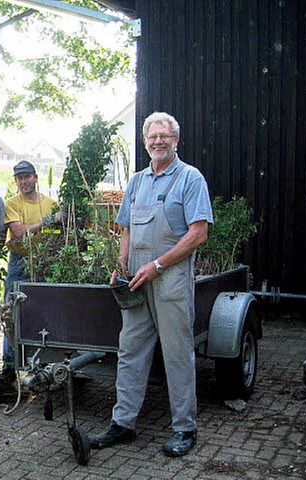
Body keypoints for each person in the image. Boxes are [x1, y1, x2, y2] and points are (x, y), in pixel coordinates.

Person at [90, 112, 213, 458]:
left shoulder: (190, 179)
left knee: (176, 354)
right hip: (136, 281)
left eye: (164, 136)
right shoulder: (137, 181)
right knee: (130, 351)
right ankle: (123, 423)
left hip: (169, 279)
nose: (158, 141)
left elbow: (198, 233)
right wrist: (120, 266)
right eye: (152, 137)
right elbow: (127, 228)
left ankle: (184, 428)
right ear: (144, 142)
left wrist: (158, 265)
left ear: (176, 140)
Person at [2, 160, 57, 375]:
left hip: (44, 261)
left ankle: (41, 364)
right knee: (12, 312)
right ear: (16, 181)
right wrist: (46, 222)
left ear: (35, 177)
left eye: (27, 176)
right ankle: (9, 366)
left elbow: (58, 236)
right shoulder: (12, 204)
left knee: (43, 311)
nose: (24, 181)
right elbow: (18, 232)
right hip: (19, 260)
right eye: (19, 178)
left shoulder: (50, 203)